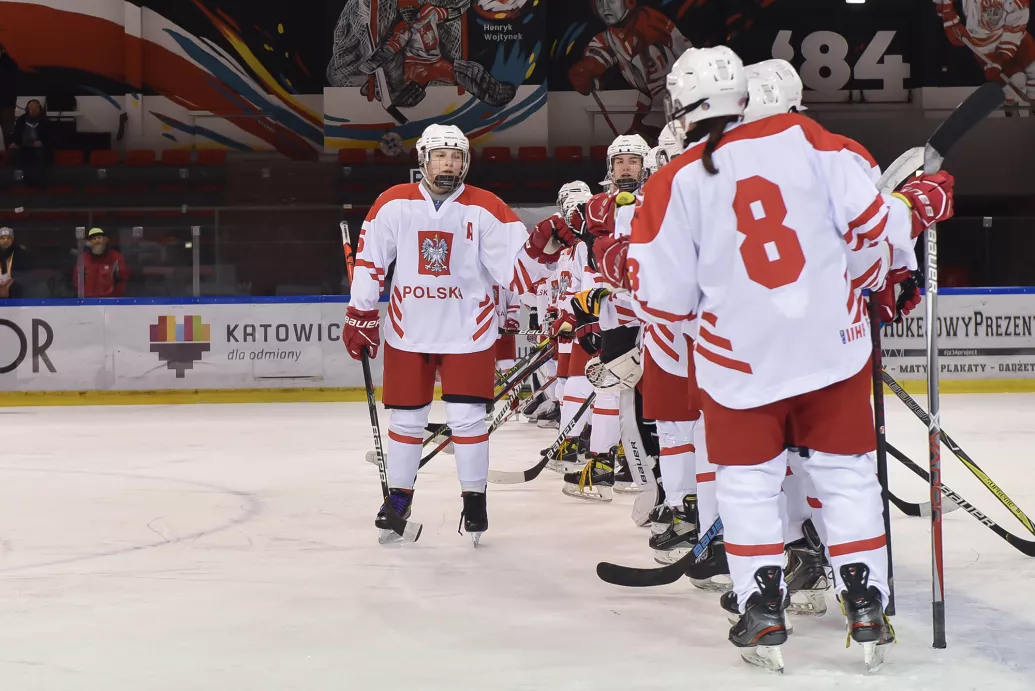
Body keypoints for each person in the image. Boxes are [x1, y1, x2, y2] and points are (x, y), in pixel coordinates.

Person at [627, 45, 956, 672]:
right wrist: (918, 203)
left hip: (738, 363)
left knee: (748, 484)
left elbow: (662, 301)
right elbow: (873, 232)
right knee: (847, 474)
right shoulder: (812, 140)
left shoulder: (673, 180)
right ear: (742, 95)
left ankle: (762, 610)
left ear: (680, 105)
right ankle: (866, 602)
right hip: (833, 347)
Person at [342, 123, 562, 545]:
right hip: (408, 330)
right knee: (406, 420)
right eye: (440, 155)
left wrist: (544, 249)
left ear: (466, 162)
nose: (448, 163)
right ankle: (399, 498)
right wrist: (360, 312)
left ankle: (474, 500)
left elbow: (518, 272)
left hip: (469, 331)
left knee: (468, 419)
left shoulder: (487, 207)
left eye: (456, 156)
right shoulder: (393, 202)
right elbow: (370, 262)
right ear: (423, 160)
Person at [74, 228, 129, 298]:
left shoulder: (116, 257)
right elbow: (77, 281)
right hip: (87, 300)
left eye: (99, 238)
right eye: (94, 239)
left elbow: (123, 280)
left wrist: (115, 298)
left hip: (111, 300)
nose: (97, 240)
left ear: (105, 240)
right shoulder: (83, 258)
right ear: (90, 242)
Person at [8, 99, 50, 187]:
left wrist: (42, 142)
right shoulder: (21, 120)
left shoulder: (44, 121)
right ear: (27, 109)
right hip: (23, 145)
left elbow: (50, 136)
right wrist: (15, 142)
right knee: (16, 154)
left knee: (39, 154)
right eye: (31, 108)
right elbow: (16, 133)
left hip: (39, 146)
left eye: (36, 108)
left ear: (39, 109)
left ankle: (39, 180)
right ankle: (19, 179)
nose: (33, 110)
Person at [0, 226, 29, 299]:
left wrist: (14, 280)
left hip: (15, 289)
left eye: (8, 238)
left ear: (12, 240)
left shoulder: (21, 253)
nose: (5, 240)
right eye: (2, 238)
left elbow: (26, 273)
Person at [0, 44, 17, 146]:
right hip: (7, 102)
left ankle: (9, 152)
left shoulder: (9, 64)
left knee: (7, 131)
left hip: (6, 104)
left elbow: (11, 83)